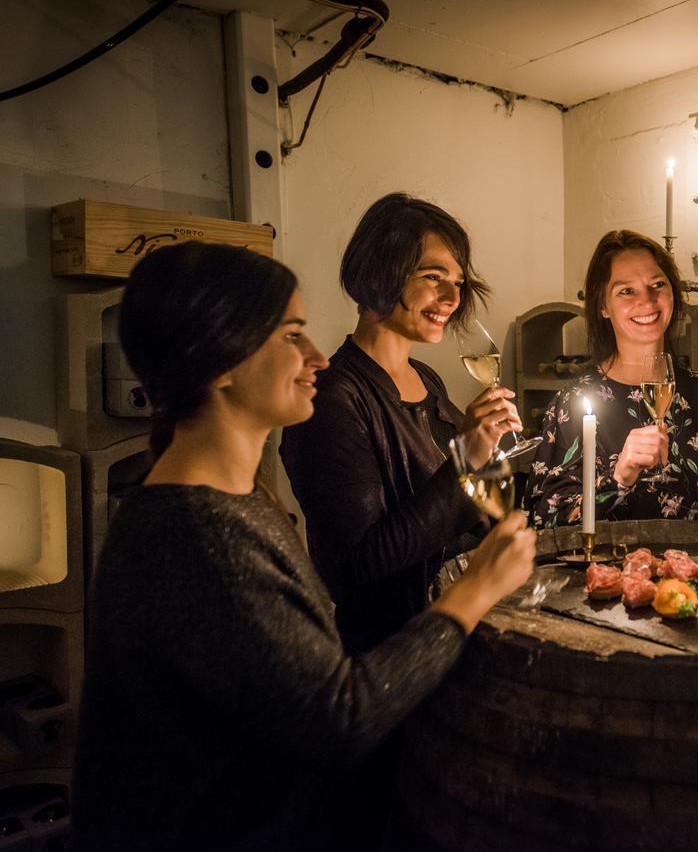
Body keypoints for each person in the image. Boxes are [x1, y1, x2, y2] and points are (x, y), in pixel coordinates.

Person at [73, 242, 534, 851]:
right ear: (220, 361)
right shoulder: (197, 534)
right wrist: (475, 591)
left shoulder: (231, 498)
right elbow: (341, 717)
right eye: (292, 335)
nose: (318, 356)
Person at [281, 192, 520, 654]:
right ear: (378, 273)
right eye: (433, 277)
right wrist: (468, 458)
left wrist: (493, 456)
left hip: (462, 630)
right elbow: (360, 565)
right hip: (395, 655)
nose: (452, 297)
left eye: (458, 282)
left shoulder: (425, 379)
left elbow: (473, 510)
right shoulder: (332, 400)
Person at [524, 229, 698, 526]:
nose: (648, 301)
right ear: (602, 306)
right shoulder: (573, 402)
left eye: (657, 284)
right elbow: (546, 517)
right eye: (626, 290)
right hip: (609, 571)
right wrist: (618, 480)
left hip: (690, 571)